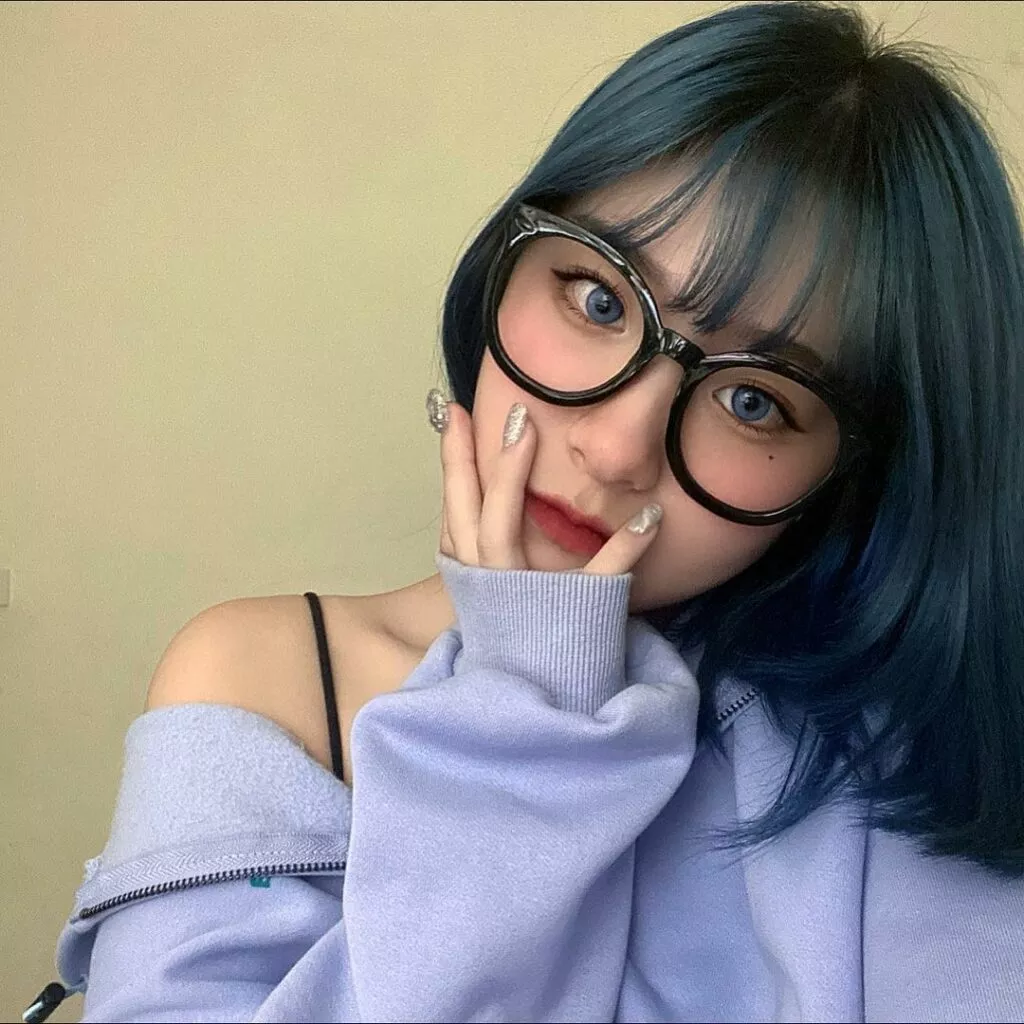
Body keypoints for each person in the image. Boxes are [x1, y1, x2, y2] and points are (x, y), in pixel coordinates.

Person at [31, 2, 1024, 1021]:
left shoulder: (904, 759)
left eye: (754, 400)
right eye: (599, 300)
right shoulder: (266, 682)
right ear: (504, 267)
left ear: (847, 474)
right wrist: (525, 709)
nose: (619, 448)